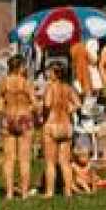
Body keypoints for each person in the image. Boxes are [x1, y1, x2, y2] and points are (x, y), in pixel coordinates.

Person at [0, 55, 36, 199]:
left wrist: (4, 113)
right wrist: (29, 111)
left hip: (8, 117)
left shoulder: (3, 81)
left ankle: (9, 193)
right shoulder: (26, 82)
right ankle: (24, 193)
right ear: (20, 67)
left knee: (8, 159)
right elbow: (34, 103)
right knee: (24, 159)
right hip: (24, 118)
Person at [39, 60, 80, 197]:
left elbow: (47, 104)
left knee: (50, 162)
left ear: (55, 74)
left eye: (49, 71)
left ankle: (49, 191)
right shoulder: (68, 88)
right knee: (65, 162)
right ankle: (67, 191)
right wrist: (69, 109)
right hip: (66, 126)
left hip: (52, 125)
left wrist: (42, 111)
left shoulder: (50, 87)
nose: (48, 74)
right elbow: (78, 103)